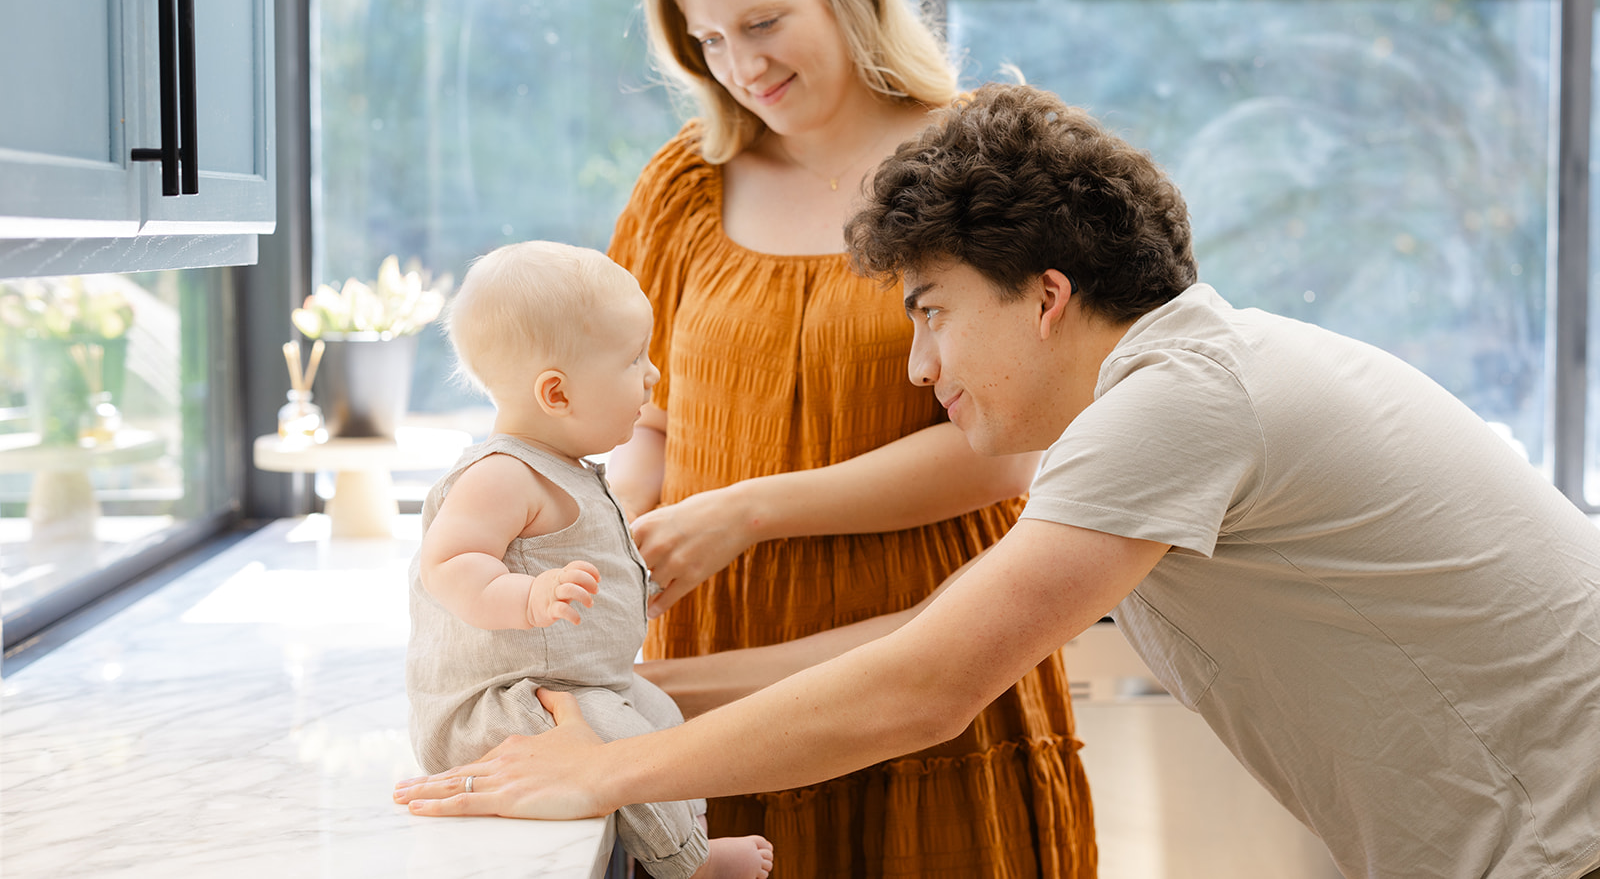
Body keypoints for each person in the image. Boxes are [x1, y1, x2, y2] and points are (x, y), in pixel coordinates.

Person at [396, 84, 1600, 879]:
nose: (921, 365)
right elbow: (928, 628)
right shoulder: (1180, 382)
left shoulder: (1179, 406)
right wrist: (622, 687)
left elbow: (923, 686)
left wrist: (601, 766)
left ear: (1047, 294)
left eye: (930, 313)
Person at [601, 0, 1097, 876]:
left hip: (928, 646)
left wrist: (747, 509)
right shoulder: (685, 184)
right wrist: (613, 548)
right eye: (705, 38)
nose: (739, 66)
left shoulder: (979, 162)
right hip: (721, 662)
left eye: (763, 22)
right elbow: (642, 418)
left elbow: (1003, 451)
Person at [403, 240, 773, 879]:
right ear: (557, 393)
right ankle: (690, 862)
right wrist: (526, 596)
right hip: (502, 704)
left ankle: (689, 837)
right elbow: (449, 564)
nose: (654, 375)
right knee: (621, 742)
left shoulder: (565, 468)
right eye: (634, 359)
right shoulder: (502, 475)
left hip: (575, 685)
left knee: (664, 721)